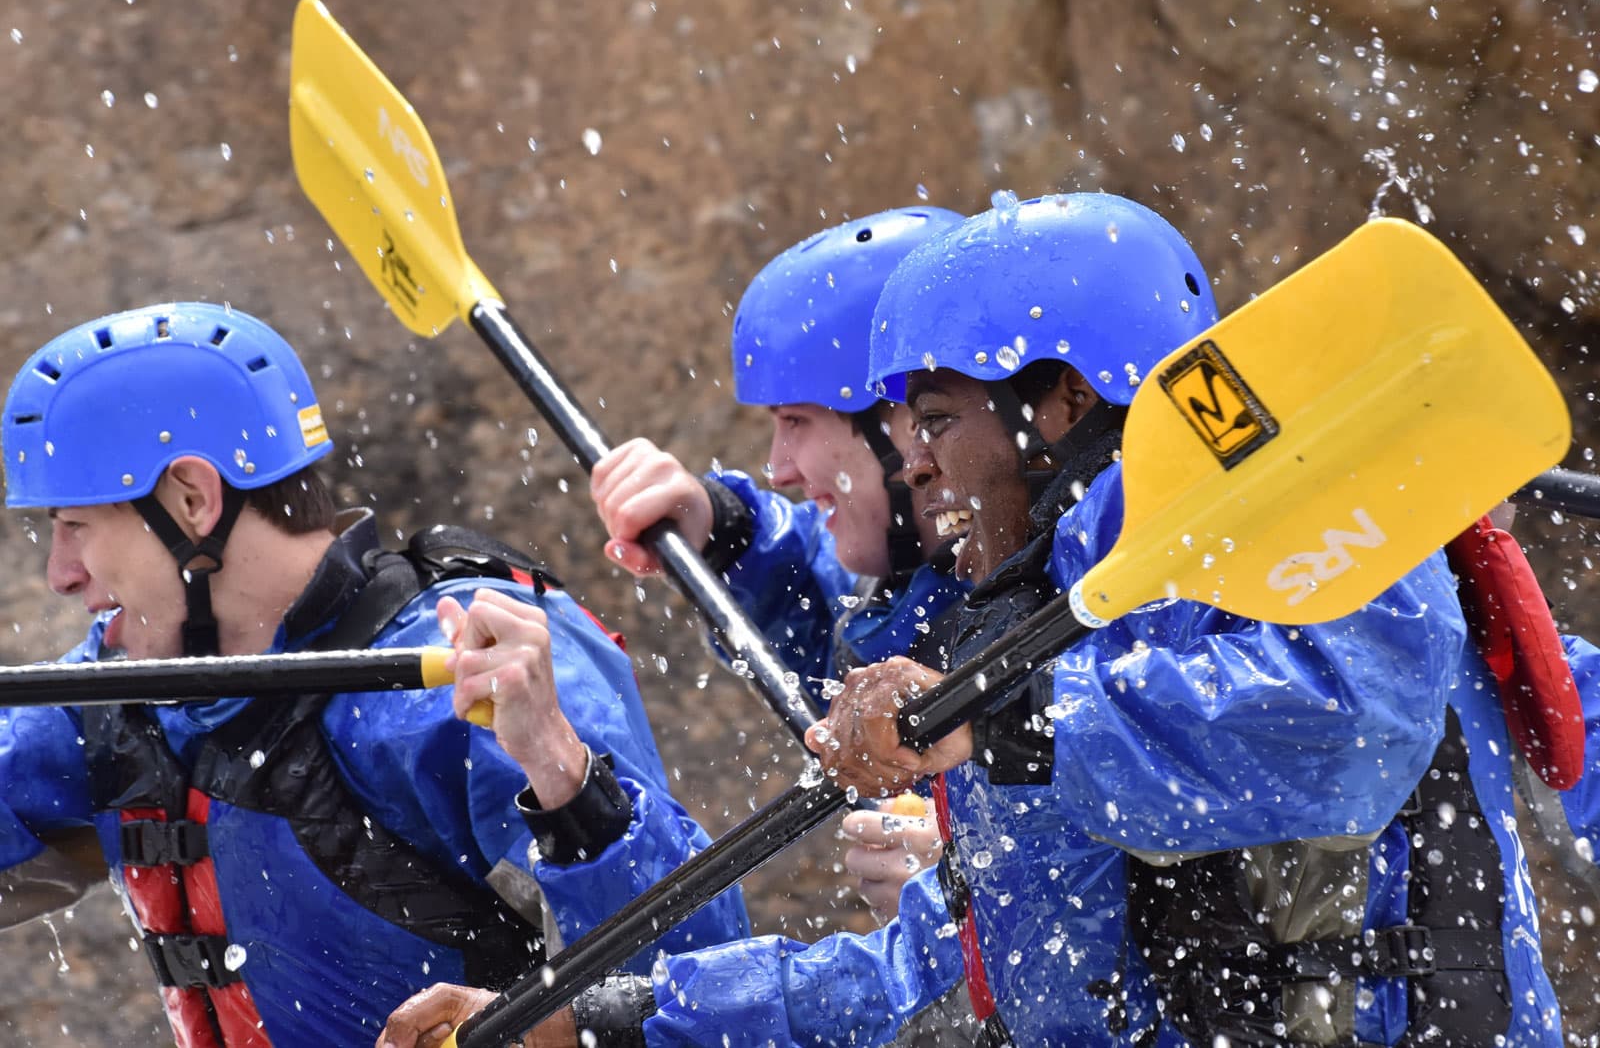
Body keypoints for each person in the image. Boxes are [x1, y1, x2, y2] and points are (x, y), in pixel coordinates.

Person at [380, 191, 1559, 1047]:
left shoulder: (1317, 538)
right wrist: (593, 1017)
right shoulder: (1028, 637)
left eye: (935, 417)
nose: (915, 460)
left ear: (1062, 399)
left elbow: (1349, 731)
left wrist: (1002, 723)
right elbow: (930, 978)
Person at [0, 303, 748, 1047]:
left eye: (76, 527)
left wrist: (562, 774)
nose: (61, 574)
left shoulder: (461, 673)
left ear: (192, 499)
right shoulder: (121, 689)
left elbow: (705, 993)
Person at [588, 206, 966, 923]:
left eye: (797, 422)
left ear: (906, 422)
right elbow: (841, 627)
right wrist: (723, 531)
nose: (778, 467)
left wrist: (977, 882)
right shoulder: (921, 586)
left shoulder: (1094, 604)